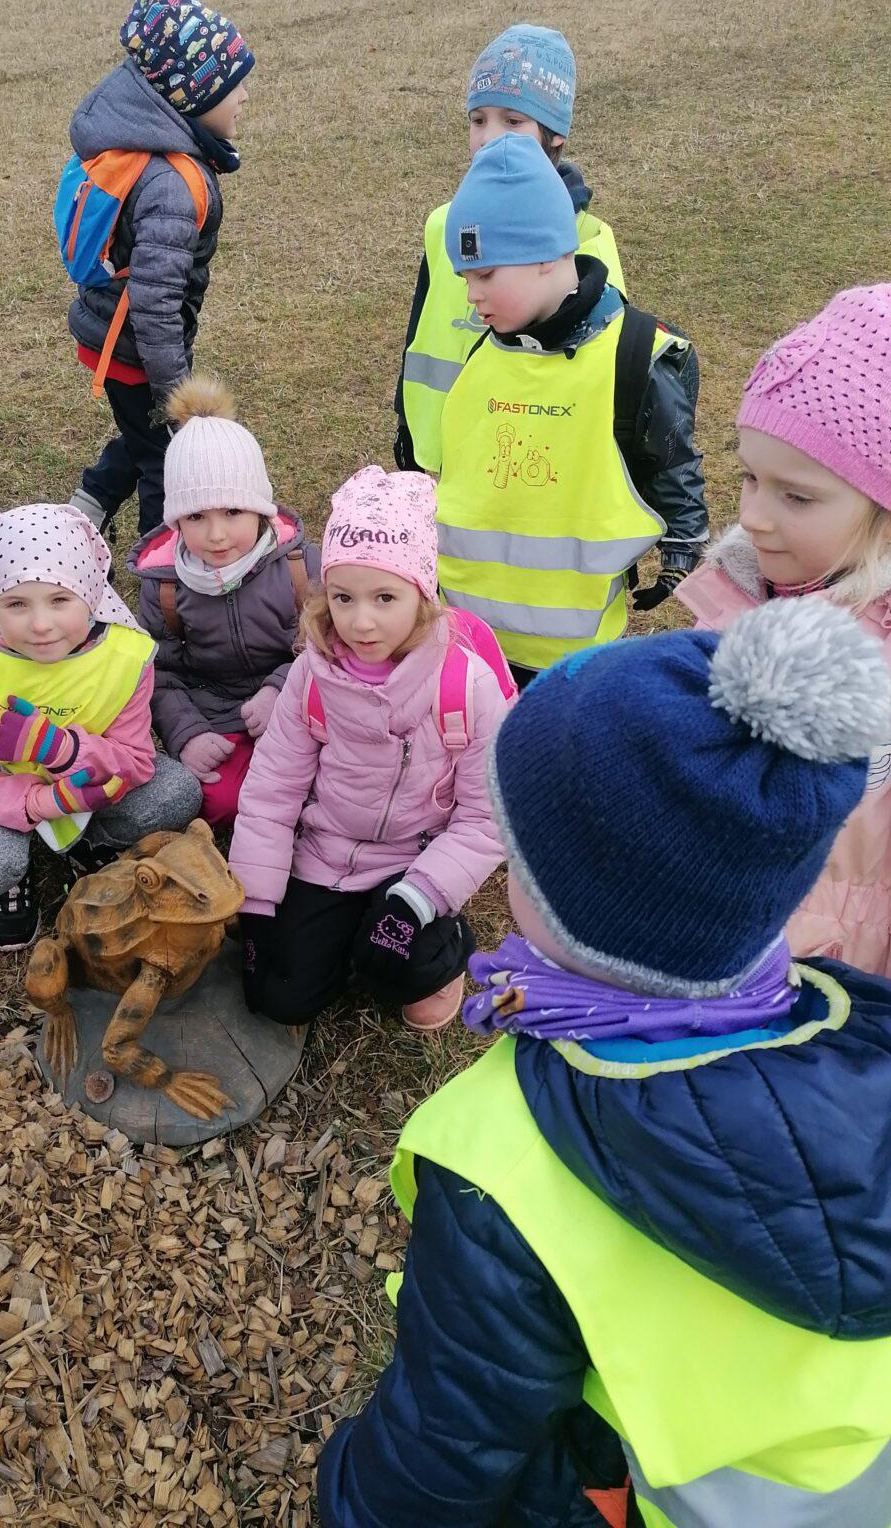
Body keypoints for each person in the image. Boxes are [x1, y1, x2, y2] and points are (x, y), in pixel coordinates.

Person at [318, 596, 891, 1528]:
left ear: (575, 912)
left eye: (518, 858)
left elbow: (441, 1455)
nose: (505, 877)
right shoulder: (852, 1019)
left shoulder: (504, 1166)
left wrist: (348, 1495)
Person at [228, 467, 515, 1032]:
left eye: (385, 597)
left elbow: (488, 816)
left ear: (422, 592)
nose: (361, 621)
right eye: (343, 597)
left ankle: (442, 944)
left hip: (417, 857)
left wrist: (419, 896)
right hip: (327, 855)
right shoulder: (311, 676)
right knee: (277, 997)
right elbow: (272, 788)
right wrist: (256, 898)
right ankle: (348, 945)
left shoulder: (467, 685)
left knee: (401, 969)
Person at [436, 132, 707, 689]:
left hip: (578, 658)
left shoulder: (634, 355)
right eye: (465, 276)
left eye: (485, 273)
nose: (471, 295)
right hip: (468, 645)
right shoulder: (484, 352)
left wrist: (683, 543)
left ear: (547, 255)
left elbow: (672, 458)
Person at [678, 282, 891, 974]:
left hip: (839, 972)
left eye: (796, 495)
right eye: (749, 478)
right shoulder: (744, 588)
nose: (757, 517)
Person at [0, 504, 201, 950]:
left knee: (178, 793)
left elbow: (135, 761)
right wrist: (38, 802)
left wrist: (62, 749)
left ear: (91, 595)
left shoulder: (124, 658)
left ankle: (91, 843)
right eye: (16, 603)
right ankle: (9, 875)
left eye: (60, 599)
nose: (40, 624)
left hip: (86, 791)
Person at [395, 23, 625, 478]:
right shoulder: (444, 224)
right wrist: (407, 429)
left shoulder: (588, 241)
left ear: (555, 133)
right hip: (439, 460)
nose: (490, 137)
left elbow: (607, 366)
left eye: (513, 121)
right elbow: (419, 336)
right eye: (478, 120)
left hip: (523, 466)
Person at [66, 0, 254, 539]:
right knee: (165, 461)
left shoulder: (159, 151)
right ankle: (160, 571)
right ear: (190, 96)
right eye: (231, 86)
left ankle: (93, 497)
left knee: (146, 430)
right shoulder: (171, 184)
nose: (243, 98)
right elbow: (153, 303)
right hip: (133, 346)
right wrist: (180, 393)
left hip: (122, 335)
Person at [128, 378, 321, 827]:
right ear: (176, 521)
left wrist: (280, 689)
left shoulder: (300, 565)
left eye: (233, 512)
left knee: (329, 786)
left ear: (261, 509)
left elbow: (330, 644)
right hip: (217, 715)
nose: (216, 535)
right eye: (196, 516)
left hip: (299, 705)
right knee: (221, 802)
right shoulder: (164, 586)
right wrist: (187, 734)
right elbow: (159, 674)